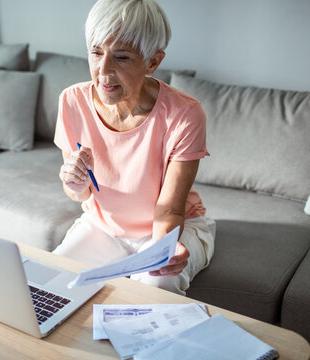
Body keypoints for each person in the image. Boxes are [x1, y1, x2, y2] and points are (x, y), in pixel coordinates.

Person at [53, 0, 215, 295]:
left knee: (156, 286)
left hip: (169, 227)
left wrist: (163, 249)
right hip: (104, 227)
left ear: (153, 62)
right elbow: (80, 194)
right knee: (55, 283)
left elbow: (169, 208)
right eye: (96, 52)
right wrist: (75, 184)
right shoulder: (72, 101)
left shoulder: (185, 115)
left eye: (122, 57)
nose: (103, 70)